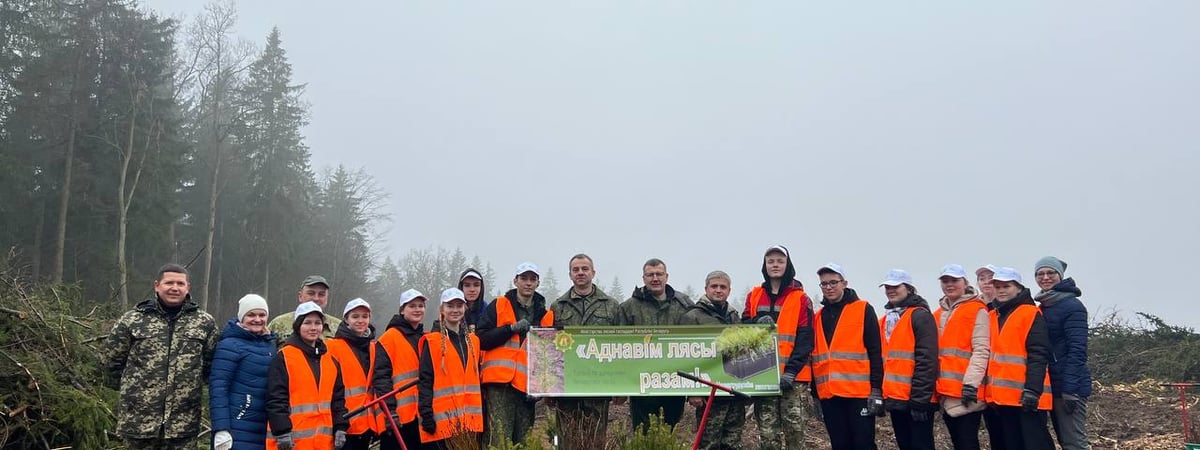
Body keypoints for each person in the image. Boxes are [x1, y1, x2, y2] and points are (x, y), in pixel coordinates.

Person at [104, 263, 217, 449]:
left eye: (180, 283)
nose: (174, 288)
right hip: (139, 422)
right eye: (169, 282)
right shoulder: (133, 320)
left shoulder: (204, 322)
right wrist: (136, 394)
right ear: (157, 285)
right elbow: (111, 362)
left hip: (183, 424)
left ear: (188, 287)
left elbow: (211, 366)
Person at [740, 245, 815, 450]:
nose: (775, 265)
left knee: (795, 431)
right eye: (770, 261)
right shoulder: (754, 295)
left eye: (780, 261)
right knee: (767, 433)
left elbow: (806, 339)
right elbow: (744, 327)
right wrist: (756, 321)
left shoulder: (801, 298)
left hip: (793, 378)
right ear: (765, 265)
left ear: (787, 264)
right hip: (763, 375)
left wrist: (791, 371)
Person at [543, 253, 622, 445]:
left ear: (593, 272)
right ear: (570, 274)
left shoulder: (611, 306)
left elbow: (620, 346)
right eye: (576, 270)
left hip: (599, 386)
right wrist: (547, 387)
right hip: (566, 387)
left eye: (585, 269)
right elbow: (548, 347)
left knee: (595, 441)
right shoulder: (558, 306)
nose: (580, 273)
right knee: (566, 441)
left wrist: (621, 387)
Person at [477, 262, 552, 445]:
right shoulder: (499, 305)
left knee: (524, 440)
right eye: (524, 278)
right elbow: (482, 339)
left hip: (526, 388)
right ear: (515, 281)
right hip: (499, 386)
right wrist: (510, 329)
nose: (528, 283)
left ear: (537, 283)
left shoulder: (545, 315)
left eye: (532, 279)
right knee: (498, 440)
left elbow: (548, 356)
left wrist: (539, 388)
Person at [812, 263, 883, 450]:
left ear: (844, 283)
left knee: (863, 444)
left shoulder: (863, 309)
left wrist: (876, 390)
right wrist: (815, 395)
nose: (828, 287)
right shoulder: (818, 316)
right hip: (829, 395)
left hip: (858, 394)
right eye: (824, 284)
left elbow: (876, 352)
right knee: (839, 444)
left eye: (833, 282)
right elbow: (815, 357)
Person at [617, 258, 694, 432]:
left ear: (666, 276)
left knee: (670, 432)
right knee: (643, 433)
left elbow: (694, 346)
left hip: (675, 382)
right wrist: (620, 386)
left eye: (659, 274)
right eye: (650, 275)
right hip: (641, 384)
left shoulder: (685, 305)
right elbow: (619, 348)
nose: (655, 278)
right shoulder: (629, 307)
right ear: (643, 278)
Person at [984, 267, 1055, 450]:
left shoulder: (1030, 313)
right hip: (1003, 398)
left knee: (1035, 443)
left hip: (1027, 398)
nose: (1001, 290)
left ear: (1018, 288)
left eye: (1006, 286)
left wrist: (1032, 390)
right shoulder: (993, 315)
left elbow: (1038, 354)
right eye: (997, 286)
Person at [678, 270, 747, 450]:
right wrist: (692, 391)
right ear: (706, 289)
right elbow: (684, 356)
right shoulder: (692, 317)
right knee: (708, 444)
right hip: (709, 394)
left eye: (722, 287)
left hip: (734, 392)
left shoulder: (734, 317)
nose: (718, 290)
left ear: (729, 290)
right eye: (714, 286)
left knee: (732, 443)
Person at [266, 301, 349, 450]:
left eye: (317, 323)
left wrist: (340, 426)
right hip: (291, 441)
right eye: (307, 323)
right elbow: (276, 398)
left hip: (323, 442)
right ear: (298, 326)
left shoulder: (330, 359)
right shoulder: (284, 357)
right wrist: (282, 431)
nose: (313, 328)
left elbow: (337, 399)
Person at [1033, 256, 1092, 450]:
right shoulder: (1044, 306)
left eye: (1051, 273)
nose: (1046, 277)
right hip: (1052, 384)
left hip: (1067, 387)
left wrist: (1070, 389)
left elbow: (1078, 350)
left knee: (1074, 442)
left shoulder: (1072, 306)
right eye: (1040, 273)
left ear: (1060, 275)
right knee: (1064, 440)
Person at [878, 270, 938, 450]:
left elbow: (926, 360)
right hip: (896, 398)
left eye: (896, 286)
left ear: (909, 289)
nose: (891, 290)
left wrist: (919, 401)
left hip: (916, 399)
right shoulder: (887, 319)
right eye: (888, 287)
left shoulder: (920, 316)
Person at [932, 265, 990, 450]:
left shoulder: (977, 310)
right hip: (944, 391)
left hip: (967, 392)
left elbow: (981, 350)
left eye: (954, 280)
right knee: (958, 442)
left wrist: (970, 385)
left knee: (967, 442)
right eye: (945, 281)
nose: (949, 285)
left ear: (965, 283)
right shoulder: (938, 313)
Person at [210, 294, 278, 450]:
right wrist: (221, 428)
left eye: (262, 315)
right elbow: (218, 388)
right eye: (251, 315)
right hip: (237, 424)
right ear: (242, 317)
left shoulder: (269, 345)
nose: (257, 319)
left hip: (262, 426)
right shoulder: (229, 345)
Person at [418, 288, 484, 448]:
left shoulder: (474, 341)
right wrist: (426, 414)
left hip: (470, 422)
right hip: (441, 422)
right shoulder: (432, 341)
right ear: (442, 309)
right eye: (450, 306)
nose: (455, 310)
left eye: (459, 305)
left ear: (465, 308)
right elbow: (425, 381)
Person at [327, 299, 393, 449]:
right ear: (346, 319)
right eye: (355, 316)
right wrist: (338, 423)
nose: (360, 320)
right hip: (345, 423)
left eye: (365, 316)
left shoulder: (374, 347)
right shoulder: (332, 347)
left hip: (368, 424)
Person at [376, 289, 428, 450]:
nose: (417, 309)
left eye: (420, 305)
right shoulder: (388, 338)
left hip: (422, 416)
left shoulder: (426, 337)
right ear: (402, 309)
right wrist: (390, 411)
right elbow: (381, 377)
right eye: (412, 306)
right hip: (398, 418)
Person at [975, 264, 1005, 449]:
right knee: (993, 431)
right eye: (982, 278)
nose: (986, 282)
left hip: (1003, 380)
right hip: (980, 380)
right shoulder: (974, 307)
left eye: (990, 278)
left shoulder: (1008, 306)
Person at [268, 275, 343, 343]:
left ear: (327, 298)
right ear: (300, 296)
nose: (316, 298)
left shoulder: (339, 327)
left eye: (321, 294)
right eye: (311, 293)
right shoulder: (278, 324)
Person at [433, 268, 488, 333]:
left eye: (476, 285)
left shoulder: (487, 310)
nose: (472, 289)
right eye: (467, 285)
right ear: (461, 287)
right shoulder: (448, 313)